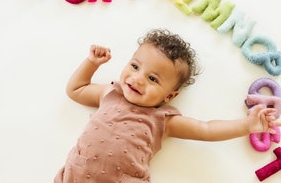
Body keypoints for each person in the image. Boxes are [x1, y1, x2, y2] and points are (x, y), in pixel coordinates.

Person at [54, 28, 280, 183]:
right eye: (134, 66)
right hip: (76, 174)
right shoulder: (109, 93)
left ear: (169, 96)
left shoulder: (163, 119)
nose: (138, 78)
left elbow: (206, 129)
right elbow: (76, 90)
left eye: (153, 79)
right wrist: (91, 63)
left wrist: (246, 125)